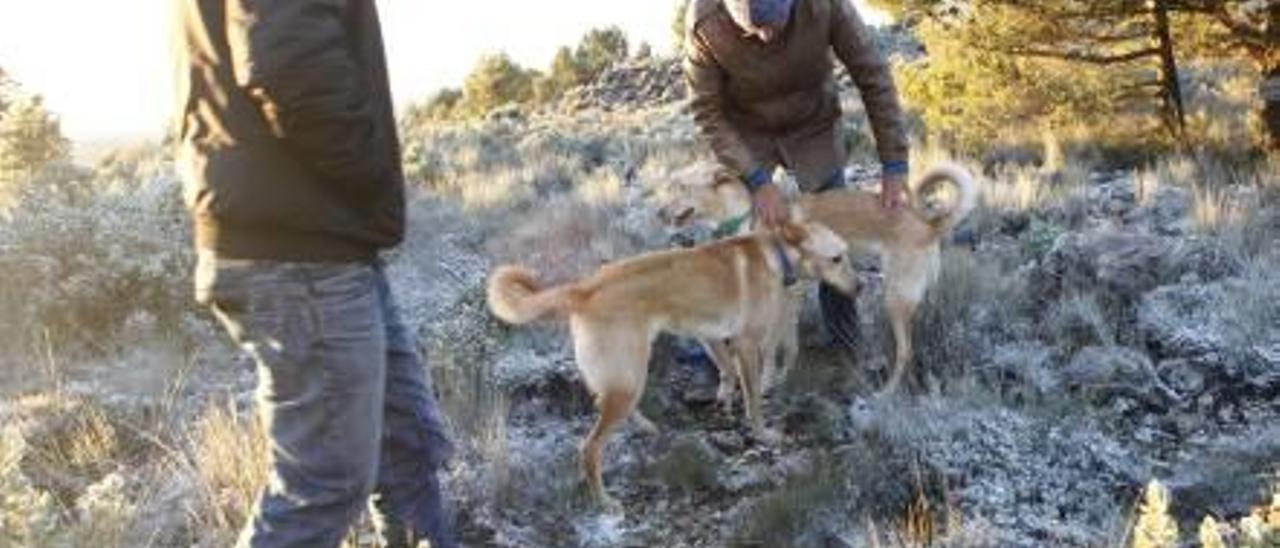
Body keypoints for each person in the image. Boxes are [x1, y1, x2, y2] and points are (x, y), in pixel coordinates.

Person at [173, 1, 457, 546]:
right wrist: (370, 173)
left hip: (324, 240)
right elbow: (286, 55)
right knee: (323, 485)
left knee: (406, 448)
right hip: (300, 246)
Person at [683, 0, 912, 354]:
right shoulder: (705, 22)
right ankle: (721, 354)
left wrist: (894, 164)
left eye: (774, 23)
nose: (766, 35)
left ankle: (844, 347)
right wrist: (757, 180)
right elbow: (706, 110)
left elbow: (874, 76)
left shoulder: (825, 6)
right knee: (734, 247)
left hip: (813, 127)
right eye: (752, 29)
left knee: (832, 239)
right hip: (748, 138)